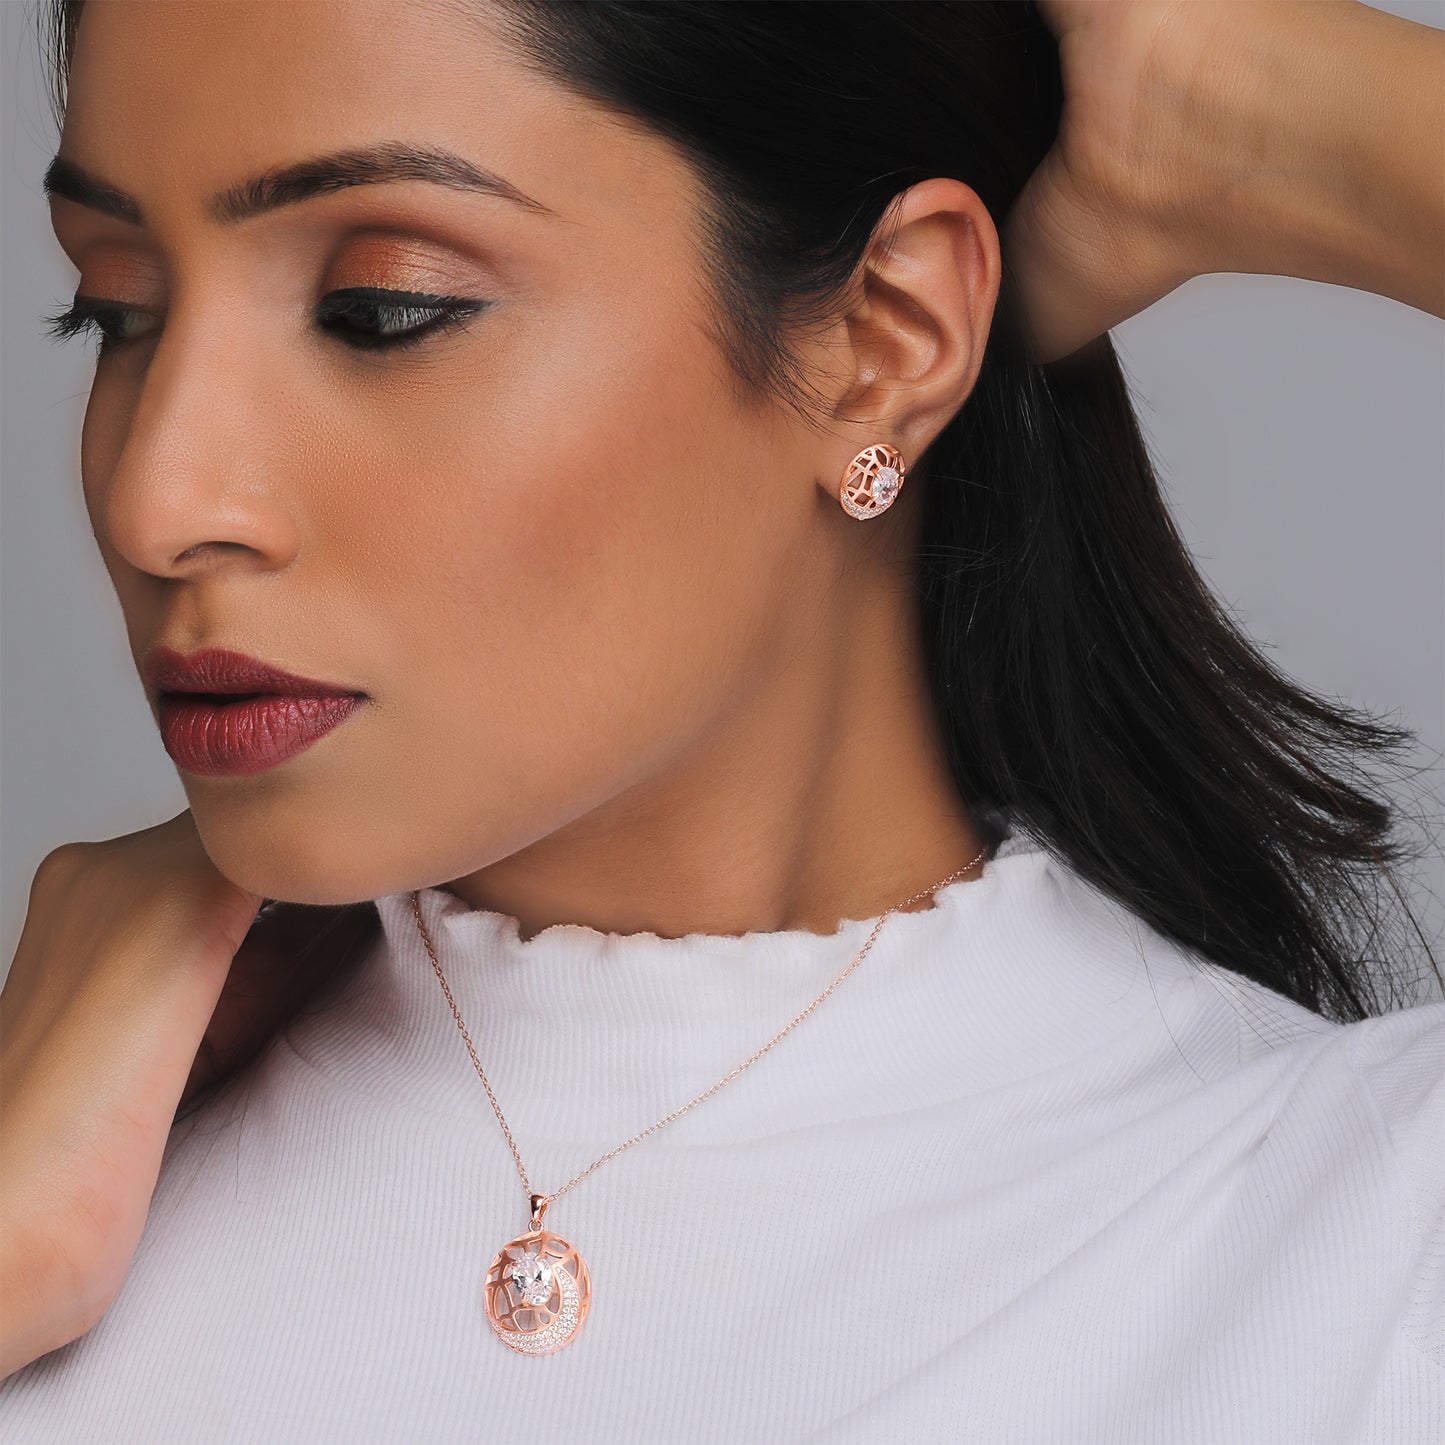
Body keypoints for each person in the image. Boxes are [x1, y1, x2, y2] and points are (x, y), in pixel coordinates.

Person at [1, 0, 1440, 1439]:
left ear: (883, 341)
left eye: (382, 308)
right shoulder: (52, 1186)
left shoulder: (1359, 1234)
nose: (155, 500)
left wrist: (1254, 109)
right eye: (117, 309)